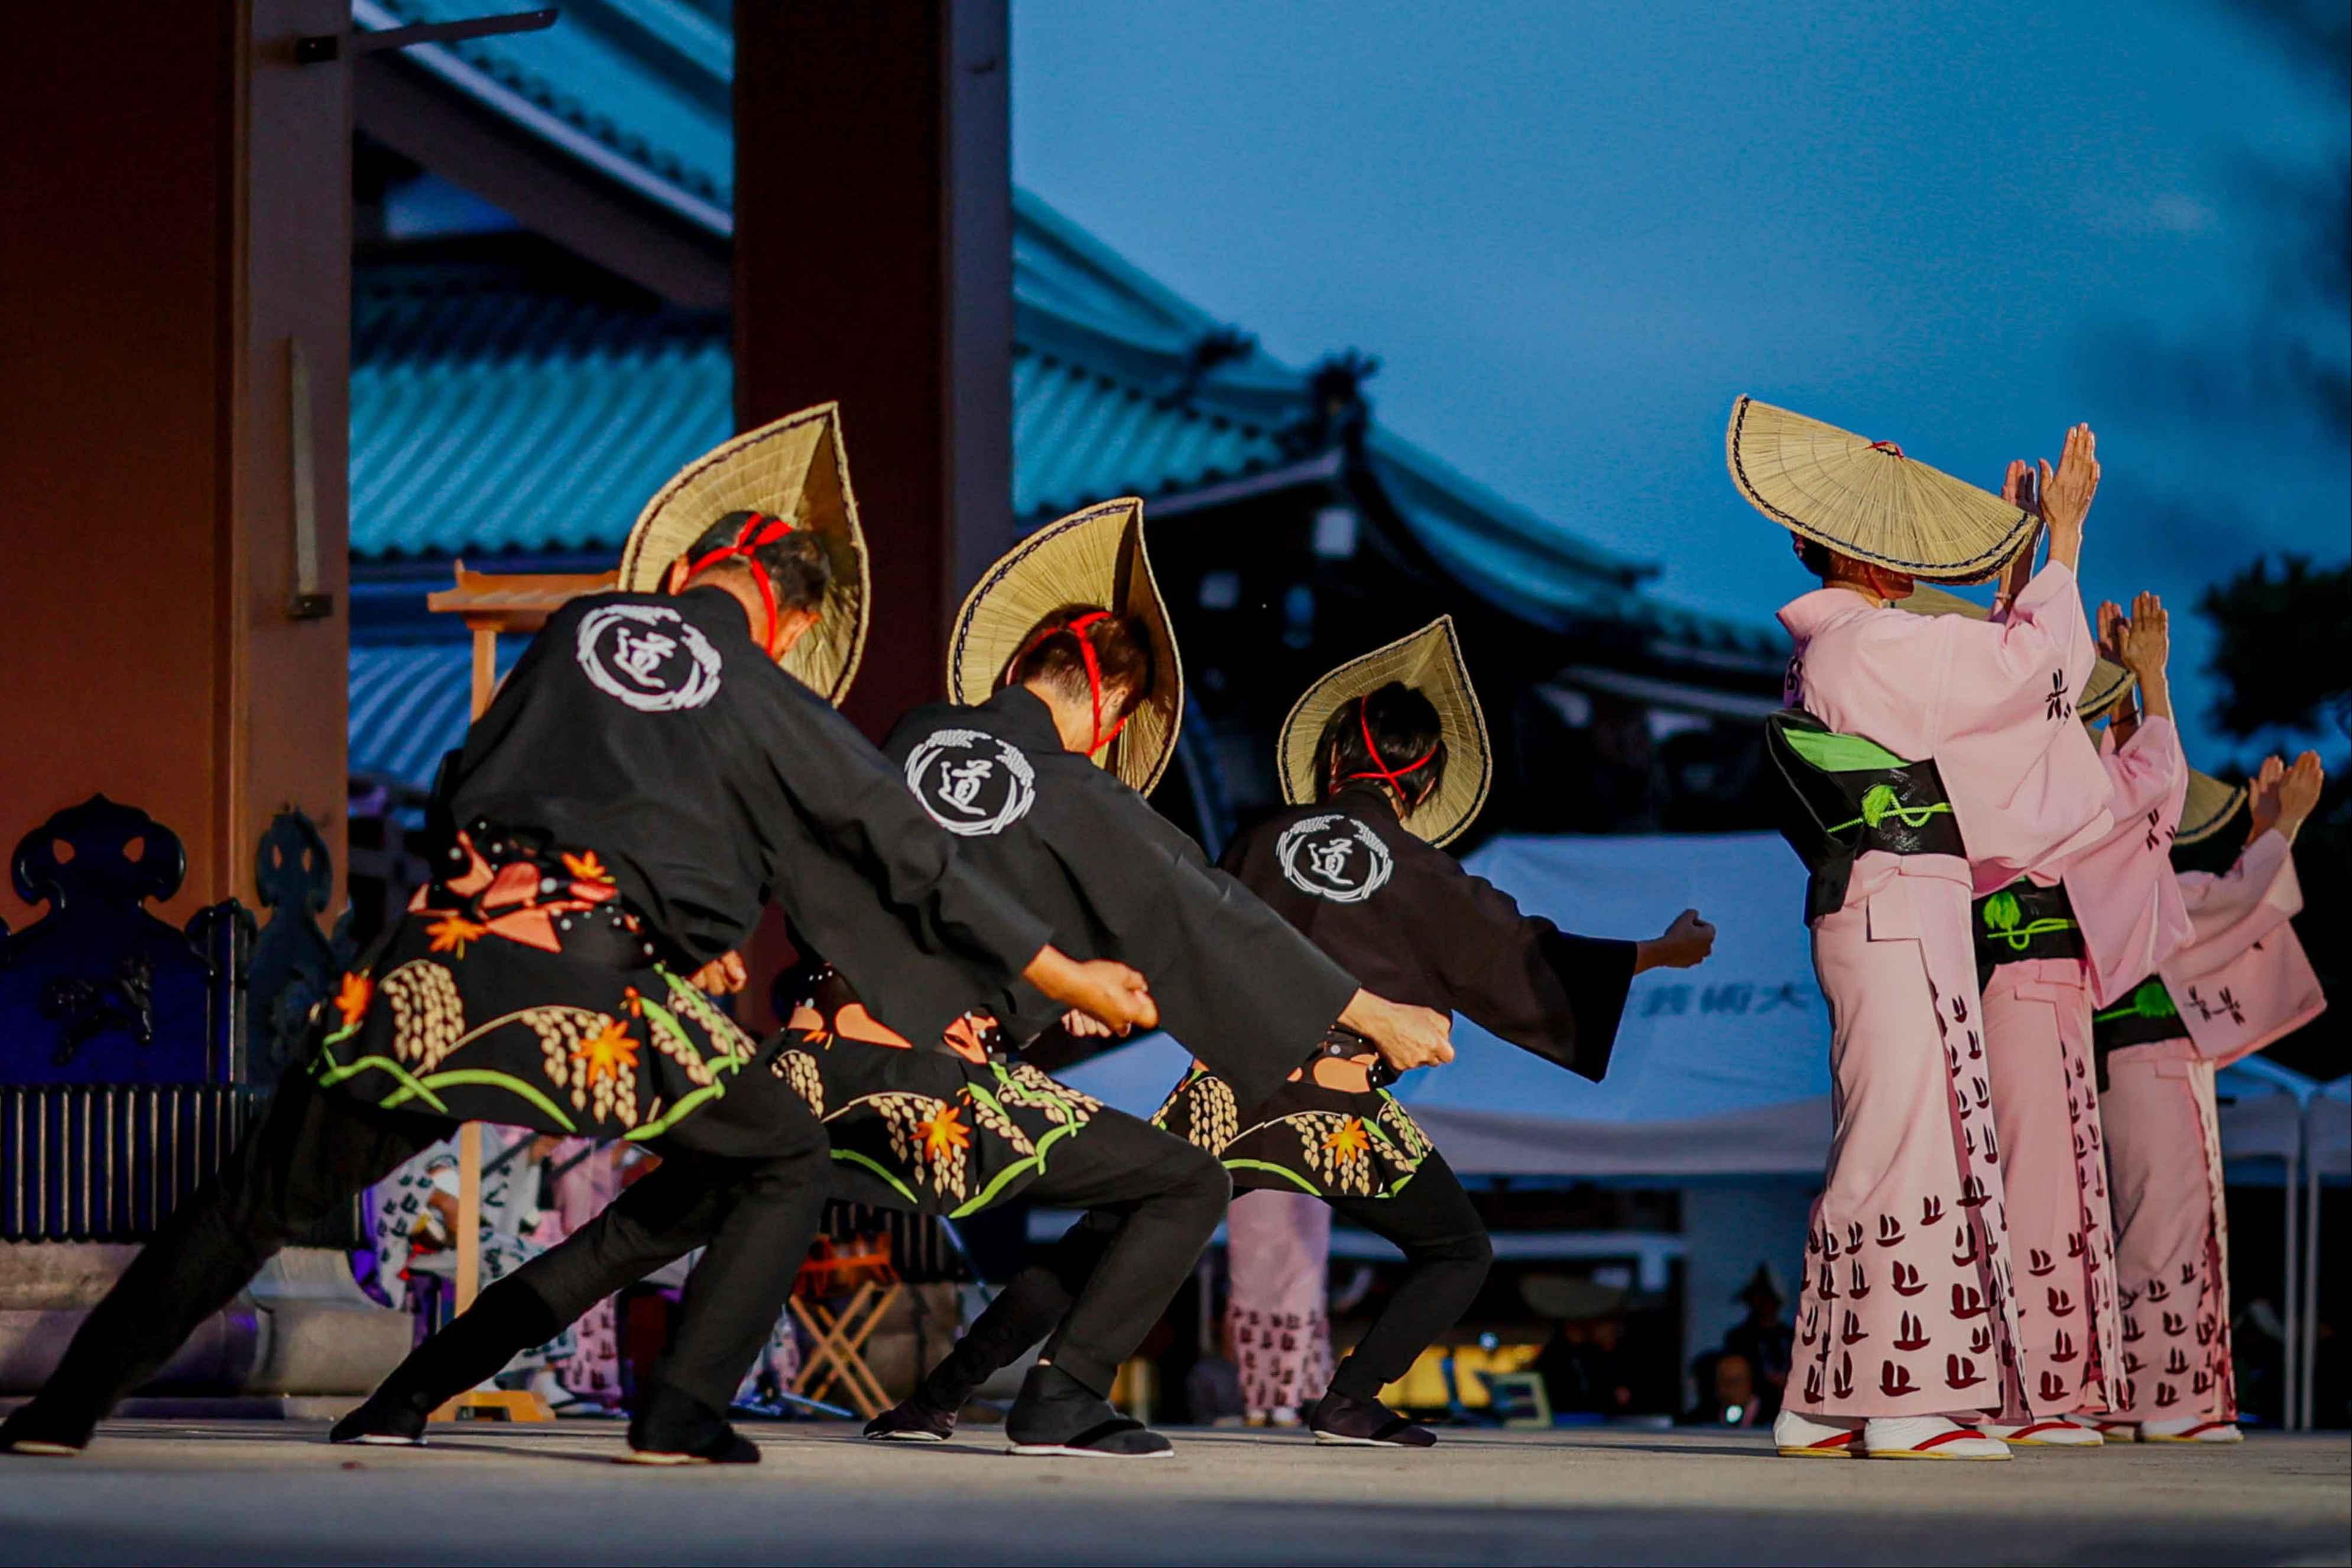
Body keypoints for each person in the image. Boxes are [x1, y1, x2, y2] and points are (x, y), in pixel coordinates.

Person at [0, 408, 1153, 1466]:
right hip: (600, 997)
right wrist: (1064, 972)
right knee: (782, 1158)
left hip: (436, 971)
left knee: (257, 1198)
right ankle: (679, 1412)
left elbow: (459, 787)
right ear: (792, 621)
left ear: (688, 572)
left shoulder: (578, 628)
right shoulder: (771, 697)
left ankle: (62, 1411)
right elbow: (911, 855)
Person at [332, 497, 1451, 1461]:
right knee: (1181, 1181)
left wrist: (1039, 985)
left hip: (810, 1061)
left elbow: (887, 878)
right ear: (1108, 710)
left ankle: (403, 1397)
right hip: (942, 1095)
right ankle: (1062, 1396)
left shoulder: (911, 736)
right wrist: (1369, 1011)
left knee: (634, 1232)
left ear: (1011, 672)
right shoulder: (1086, 797)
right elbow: (1216, 916)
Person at [872, 616, 1714, 1450]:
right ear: (1422, 782)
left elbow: (1188, 927)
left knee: (1094, 1245)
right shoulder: (1426, 873)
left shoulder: (1261, 840)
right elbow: (1530, 956)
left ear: (1332, 760)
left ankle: (934, 1399)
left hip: (1225, 1089)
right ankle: (1350, 1400)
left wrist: (1089, 980)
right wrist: (1659, 951)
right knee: (1458, 1249)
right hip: (1338, 1109)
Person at [1738, 400, 2116, 1460]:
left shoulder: (1855, 644)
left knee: (1894, 1131)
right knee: (1910, 1136)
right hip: (1895, 898)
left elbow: (1984, 688)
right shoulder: (1864, 642)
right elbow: (2024, 675)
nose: (1909, 560)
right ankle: (1904, 1400)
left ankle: (1826, 1396)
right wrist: (2062, 541)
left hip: (1894, 898)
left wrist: (2015, 580)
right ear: (1865, 557)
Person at [1898, 589, 2186, 1445]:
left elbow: (2134, 785)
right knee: (2035, 1184)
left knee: (2059, 1186)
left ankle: (2044, 1386)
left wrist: (2131, 694)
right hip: (2018, 984)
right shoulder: (1998, 759)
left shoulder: (2014, 757)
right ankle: (2022, 1392)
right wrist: (2147, 682)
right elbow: (2147, 786)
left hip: (2040, 988)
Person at [2094, 751, 2327, 1444]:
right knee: (2162, 1222)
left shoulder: (2133, 883)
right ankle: (2158, 1396)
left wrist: (2265, 836)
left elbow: (2227, 899)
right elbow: (2228, 903)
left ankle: (2158, 1393)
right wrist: (2281, 829)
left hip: (2148, 1059)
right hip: (2146, 1060)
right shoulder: (2132, 886)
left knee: (2166, 1220)